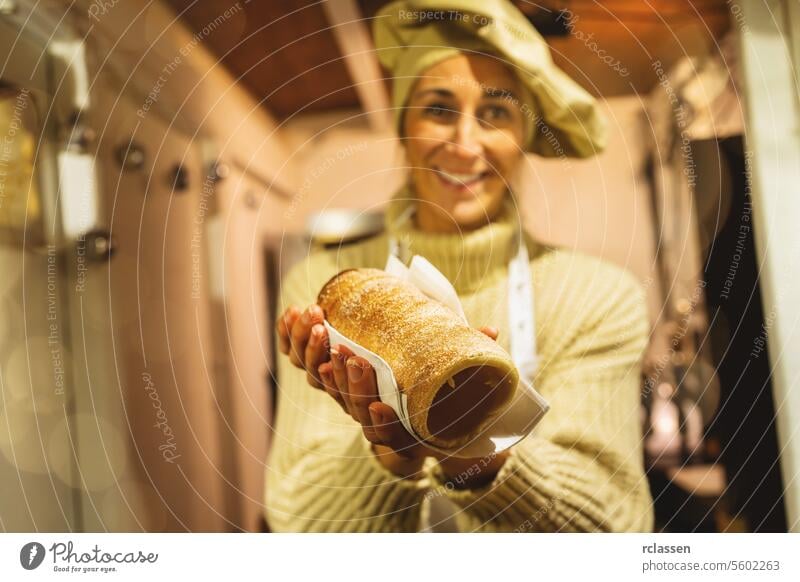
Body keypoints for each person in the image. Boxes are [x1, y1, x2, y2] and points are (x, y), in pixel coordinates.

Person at [264, 0, 653, 532]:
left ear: (521, 139)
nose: (465, 144)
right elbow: (300, 523)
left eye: (495, 112)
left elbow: (613, 526)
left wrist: (470, 449)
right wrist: (392, 458)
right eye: (439, 109)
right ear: (403, 128)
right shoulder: (321, 288)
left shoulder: (597, 295)